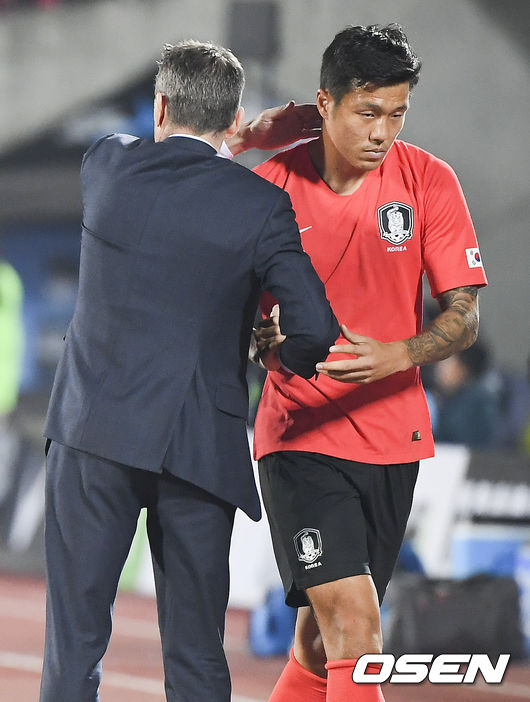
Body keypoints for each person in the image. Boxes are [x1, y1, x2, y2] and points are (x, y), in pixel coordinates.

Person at [39, 40, 338, 702]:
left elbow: (164, 155)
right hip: (198, 447)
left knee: (74, 648)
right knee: (197, 653)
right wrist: (277, 354)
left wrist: (237, 136)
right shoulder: (260, 205)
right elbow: (317, 328)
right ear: (234, 119)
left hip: (93, 435)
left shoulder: (107, 165)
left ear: (161, 106)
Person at [229, 24, 488, 702]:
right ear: (326, 103)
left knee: (320, 647)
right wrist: (260, 338)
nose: (382, 132)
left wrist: (401, 353)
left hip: (393, 439)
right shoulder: (270, 187)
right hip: (300, 437)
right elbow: (228, 310)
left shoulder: (429, 180)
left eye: (397, 114)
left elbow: (464, 315)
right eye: (368, 112)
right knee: (356, 625)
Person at [433, 338, 500, 448]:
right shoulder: (448, 399)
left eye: (446, 360)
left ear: (463, 368)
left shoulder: (478, 403)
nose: (439, 366)